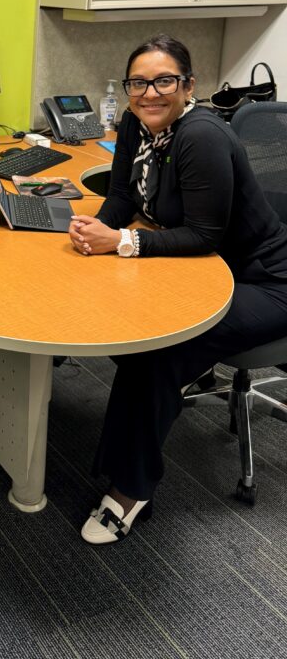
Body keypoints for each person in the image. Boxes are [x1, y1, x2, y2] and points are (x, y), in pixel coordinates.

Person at [69, 34, 287, 546]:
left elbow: (205, 234)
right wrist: (92, 233)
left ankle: (128, 490)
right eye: (138, 83)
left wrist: (120, 242)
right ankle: (125, 450)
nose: (149, 93)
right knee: (133, 331)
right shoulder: (136, 123)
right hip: (208, 268)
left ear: (188, 86)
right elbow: (122, 195)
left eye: (164, 81)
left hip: (266, 279)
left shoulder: (201, 136)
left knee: (160, 348)